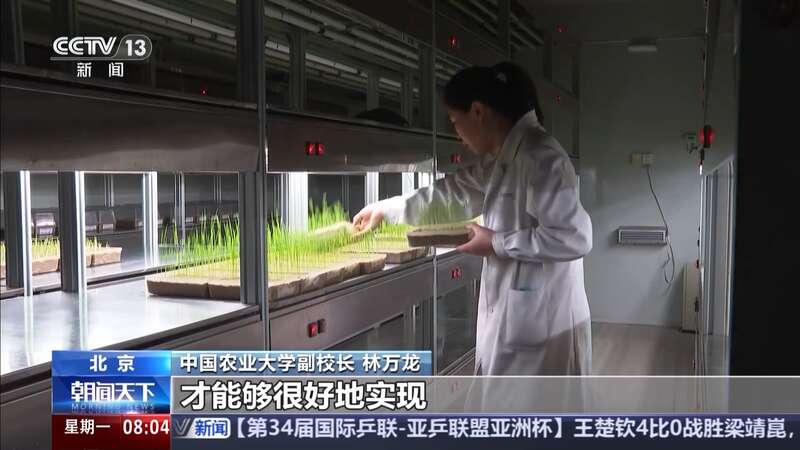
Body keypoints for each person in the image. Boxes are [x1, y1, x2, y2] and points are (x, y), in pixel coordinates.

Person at [353, 61, 593, 376]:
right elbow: (451, 194)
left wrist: (496, 242)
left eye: (455, 121)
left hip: (546, 327)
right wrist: (386, 210)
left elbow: (575, 237)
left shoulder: (540, 157)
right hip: (523, 322)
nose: (458, 136)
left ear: (478, 112)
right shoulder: (505, 159)